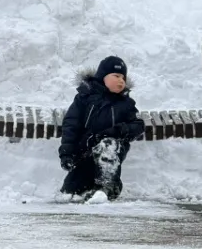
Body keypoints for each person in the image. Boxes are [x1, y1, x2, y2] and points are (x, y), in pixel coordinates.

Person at [58, 56, 145, 201]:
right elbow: (71, 124)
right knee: (69, 191)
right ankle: (91, 189)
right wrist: (66, 153)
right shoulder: (84, 98)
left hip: (112, 151)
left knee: (108, 144)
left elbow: (138, 126)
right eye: (116, 76)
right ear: (102, 77)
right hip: (85, 152)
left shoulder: (126, 103)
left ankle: (108, 188)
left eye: (123, 77)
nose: (121, 80)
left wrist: (117, 131)